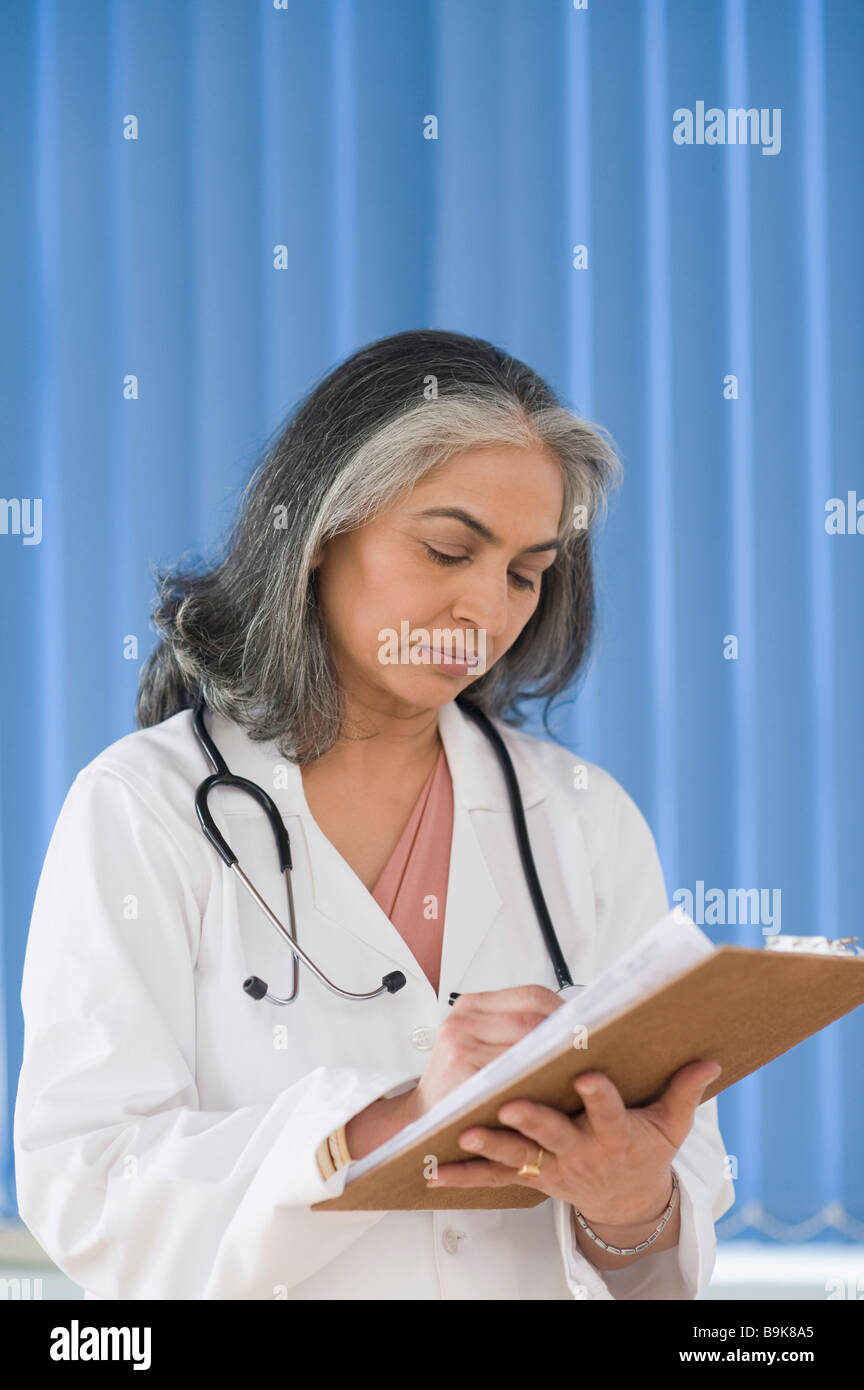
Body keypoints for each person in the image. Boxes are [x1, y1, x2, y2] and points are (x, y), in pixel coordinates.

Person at [13, 328, 734, 1300]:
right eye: (448, 548)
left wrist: (630, 1204)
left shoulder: (584, 822)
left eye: (526, 572)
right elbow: (91, 1187)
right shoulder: (146, 808)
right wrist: (396, 1120)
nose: (488, 607)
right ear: (317, 533)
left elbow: (660, 1266)